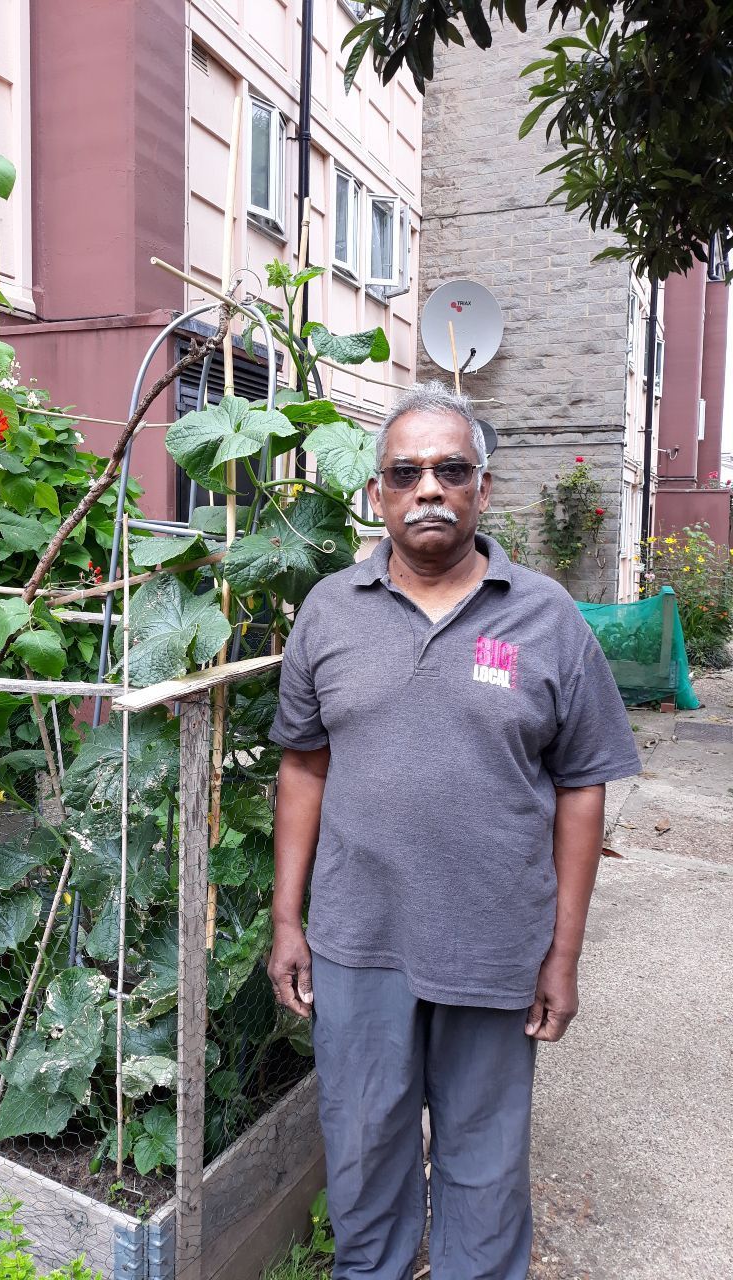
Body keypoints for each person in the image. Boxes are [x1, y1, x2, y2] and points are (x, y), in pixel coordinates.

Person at [267, 382, 641, 1280]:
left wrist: (563, 953)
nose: (427, 487)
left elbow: (582, 785)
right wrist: (289, 920)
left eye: (450, 469)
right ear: (378, 495)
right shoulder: (330, 611)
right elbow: (303, 765)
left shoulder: (546, 616)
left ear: (483, 487)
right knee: (362, 1157)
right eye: (406, 472)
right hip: (359, 941)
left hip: (494, 943)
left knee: (483, 1168)